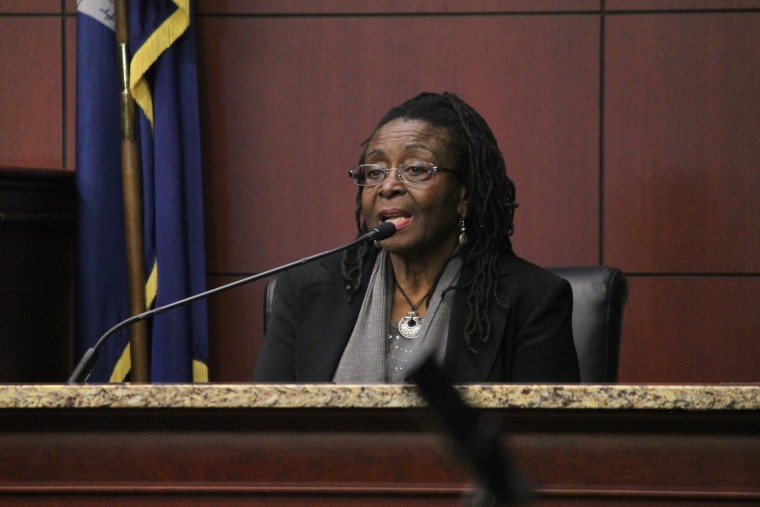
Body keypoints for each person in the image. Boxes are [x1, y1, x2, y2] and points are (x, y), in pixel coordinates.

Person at [253, 92, 579, 383]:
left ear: (464, 195)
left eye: (416, 169)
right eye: (375, 171)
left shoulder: (532, 301)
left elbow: (544, 445)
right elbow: (268, 434)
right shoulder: (305, 292)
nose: (388, 186)